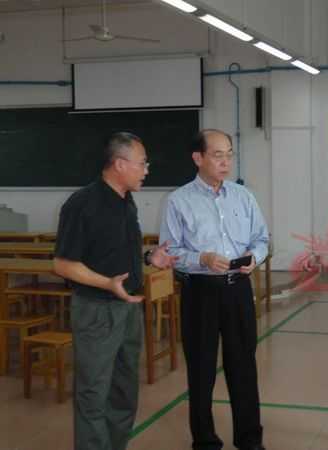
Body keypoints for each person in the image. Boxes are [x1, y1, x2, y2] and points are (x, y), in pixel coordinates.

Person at [53, 131, 178, 450]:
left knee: (124, 391)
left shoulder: (126, 202)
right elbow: (64, 265)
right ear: (120, 164)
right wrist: (107, 283)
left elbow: (115, 253)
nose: (147, 170)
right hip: (96, 311)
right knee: (93, 393)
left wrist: (149, 258)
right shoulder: (82, 204)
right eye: (142, 163)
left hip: (128, 308)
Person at [159, 129, 269, 450]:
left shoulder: (244, 196)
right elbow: (170, 251)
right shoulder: (178, 200)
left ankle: (250, 440)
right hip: (200, 294)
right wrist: (202, 259)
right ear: (198, 158)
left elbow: (262, 239)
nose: (226, 162)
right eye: (218, 155)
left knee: (243, 367)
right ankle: (205, 441)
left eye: (229, 155)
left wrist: (255, 258)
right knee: (201, 369)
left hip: (238, 290)